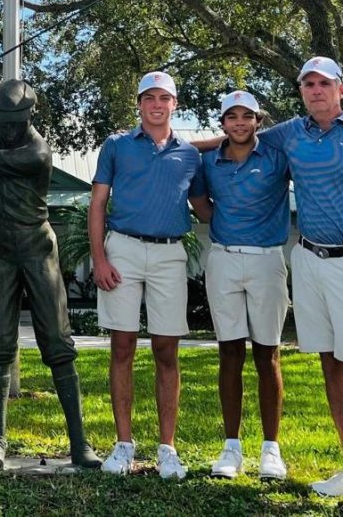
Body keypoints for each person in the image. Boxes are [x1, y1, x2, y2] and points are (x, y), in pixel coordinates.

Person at [247, 57, 343, 517]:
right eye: (307, 84)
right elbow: (236, 137)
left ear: (342, 89)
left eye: (323, 83)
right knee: (331, 364)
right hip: (309, 259)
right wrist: (171, 142)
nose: (315, 90)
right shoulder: (292, 132)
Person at [0, 79, 101, 470]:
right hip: (1, 250)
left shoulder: (36, 152)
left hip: (38, 251)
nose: (6, 129)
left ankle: (79, 442)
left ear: (28, 115)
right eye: (1, 121)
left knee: (57, 342)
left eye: (14, 121)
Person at [88, 71, 203, 480]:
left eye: (164, 98)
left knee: (166, 352)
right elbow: (98, 204)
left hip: (170, 254)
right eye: (149, 97)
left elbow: (204, 206)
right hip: (123, 250)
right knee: (122, 347)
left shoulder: (190, 155)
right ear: (138, 103)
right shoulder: (117, 146)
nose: (156, 104)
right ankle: (123, 444)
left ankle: (167, 447)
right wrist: (99, 258)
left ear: (175, 104)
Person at [191, 90, 290, 481]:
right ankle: (231, 447)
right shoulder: (208, 163)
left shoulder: (277, 156)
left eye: (246, 116)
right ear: (222, 124)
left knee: (268, 355)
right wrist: (225, 225)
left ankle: (271, 450)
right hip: (224, 258)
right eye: (231, 117)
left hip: (267, 259)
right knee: (229, 353)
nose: (239, 123)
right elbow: (200, 203)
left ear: (257, 121)